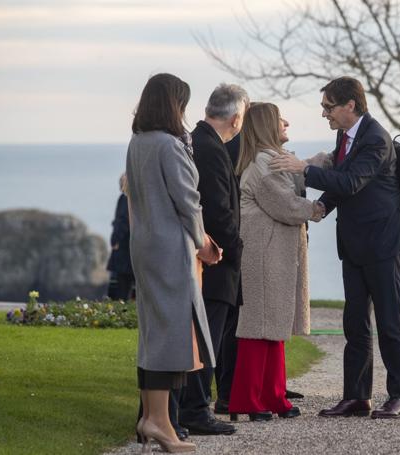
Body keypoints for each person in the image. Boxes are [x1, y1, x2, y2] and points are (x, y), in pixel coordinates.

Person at [269, 76, 400, 419]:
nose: (324, 114)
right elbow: (344, 183)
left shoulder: (376, 139)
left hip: (383, 243)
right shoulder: (345, 136)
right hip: (354, 243)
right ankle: (357, 397)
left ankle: (399, 397)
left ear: (351, 105)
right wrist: (319, 209)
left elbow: (351, 181)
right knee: (355, 322)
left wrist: (304, 169)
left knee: (390, 322)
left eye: (328, 107)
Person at [126, 73, 221, 453]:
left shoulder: (137, 143)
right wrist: (204, 245)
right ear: (173, 104)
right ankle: (159, 422)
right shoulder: (169, 145)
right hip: (170, 250)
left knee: (153, 335)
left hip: (144, 247)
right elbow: (188, 201)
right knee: (171, 335)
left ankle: (154, 419)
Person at [227, 102, 324, 421]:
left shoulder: (268, 159)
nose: (287, 122)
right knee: (259, 327)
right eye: (280, 119)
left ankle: (272, 395)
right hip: (263, 255)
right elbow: (285, 204)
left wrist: (317, 164)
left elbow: (292, 182)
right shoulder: (264, 163)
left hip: (271, 253)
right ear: (268, 125)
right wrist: (318, 208)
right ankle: (249, 399)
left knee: (273, 327)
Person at [177, 84, 249, 436]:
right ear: (236, 118)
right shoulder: (209, 148)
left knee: (206, 337)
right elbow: (218, 210)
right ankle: (196, 409)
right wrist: (236, 250)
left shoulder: (200, 141)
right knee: (207, 338)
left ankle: (194, 405)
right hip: (215, 260)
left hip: (210, 257)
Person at [106, 173, 134, 301]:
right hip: (133, 248)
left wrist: (115, 240)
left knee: (121, 288)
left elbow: (122, 221)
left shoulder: (125, 199)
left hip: (124, 250)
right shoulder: (136, 199)